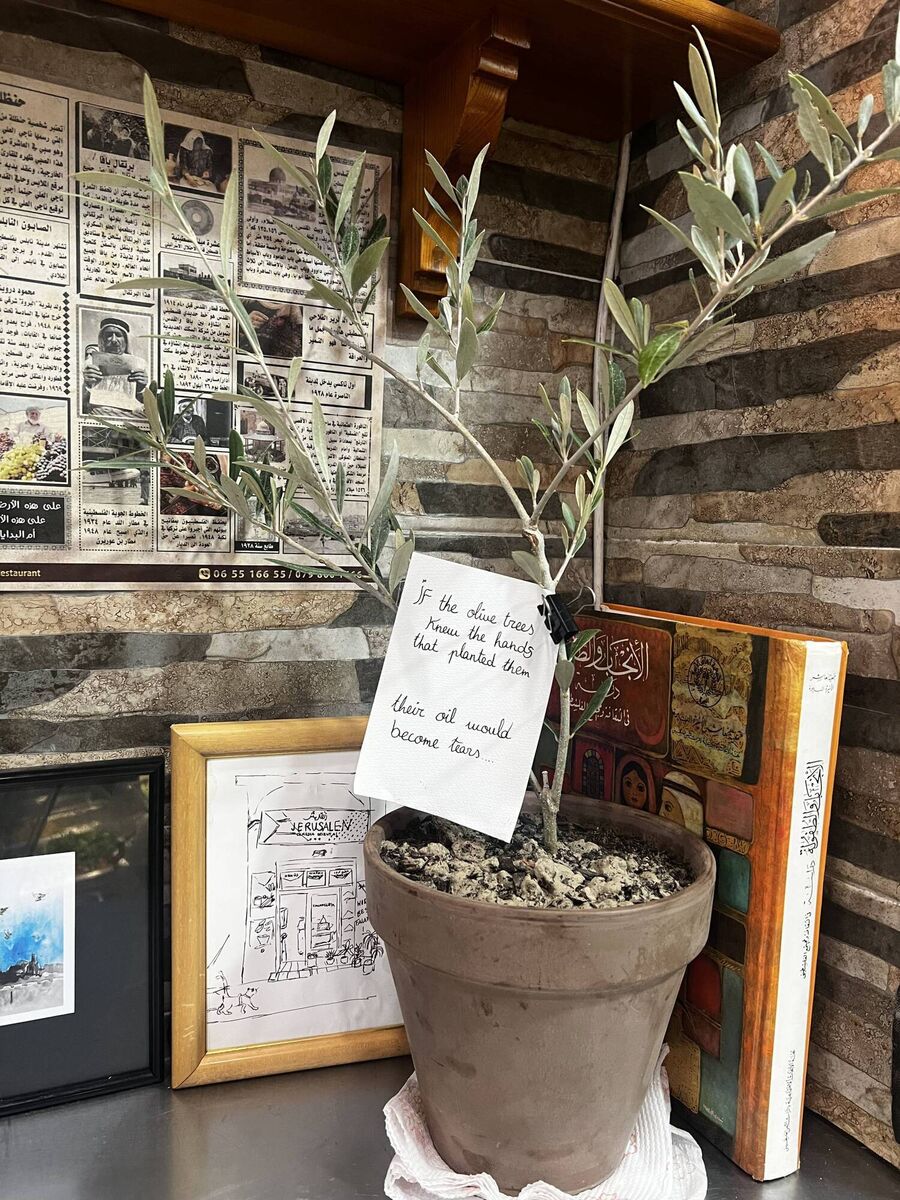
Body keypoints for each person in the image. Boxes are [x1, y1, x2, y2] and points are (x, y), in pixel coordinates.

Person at [82, 318, 148, 418]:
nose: (113, 340)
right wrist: (86, 384)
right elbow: (77, 401)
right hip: (100, 416)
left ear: (126, 340)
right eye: (108, 335)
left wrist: (141, 389)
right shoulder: (88, 364)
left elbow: (151, 406)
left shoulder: (141, 365)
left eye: (118, 335)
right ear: (102, 340)